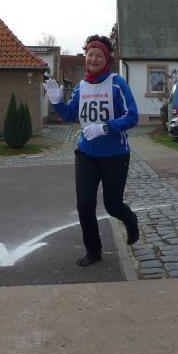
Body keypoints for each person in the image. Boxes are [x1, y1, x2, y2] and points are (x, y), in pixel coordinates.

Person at [46, 34, 140, 267]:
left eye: (99, 55)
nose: (94, 59)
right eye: (90, 54)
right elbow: (70, 115)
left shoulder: (117, 83)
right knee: (85, 205)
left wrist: (105, 127)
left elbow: (132, 116)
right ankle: (93, 250)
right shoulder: (81, 86)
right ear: (85, 57)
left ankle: (130, 219)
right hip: (86, 154)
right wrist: (57, 101)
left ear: (106, 59)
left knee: (113, 205)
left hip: (115, 154)